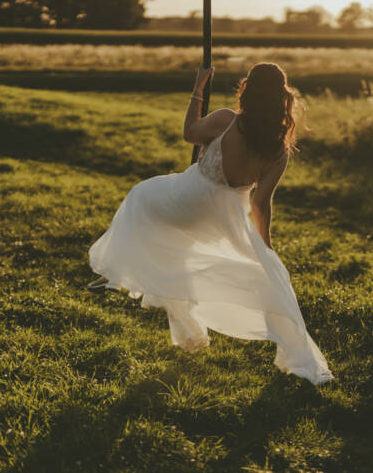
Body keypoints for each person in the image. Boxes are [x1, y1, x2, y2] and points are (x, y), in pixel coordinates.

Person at [86, 62, 333, 386]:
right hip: (223, 217)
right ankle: (294, 354)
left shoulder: (226, 120)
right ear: (282, 97)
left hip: (187, 198)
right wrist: (264, 248)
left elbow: (190, 133)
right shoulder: (279, 150)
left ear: (248, 90)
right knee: (224, 268)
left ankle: (118, 273)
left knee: (140, 197)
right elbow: (260, 204)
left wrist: (198, 88)